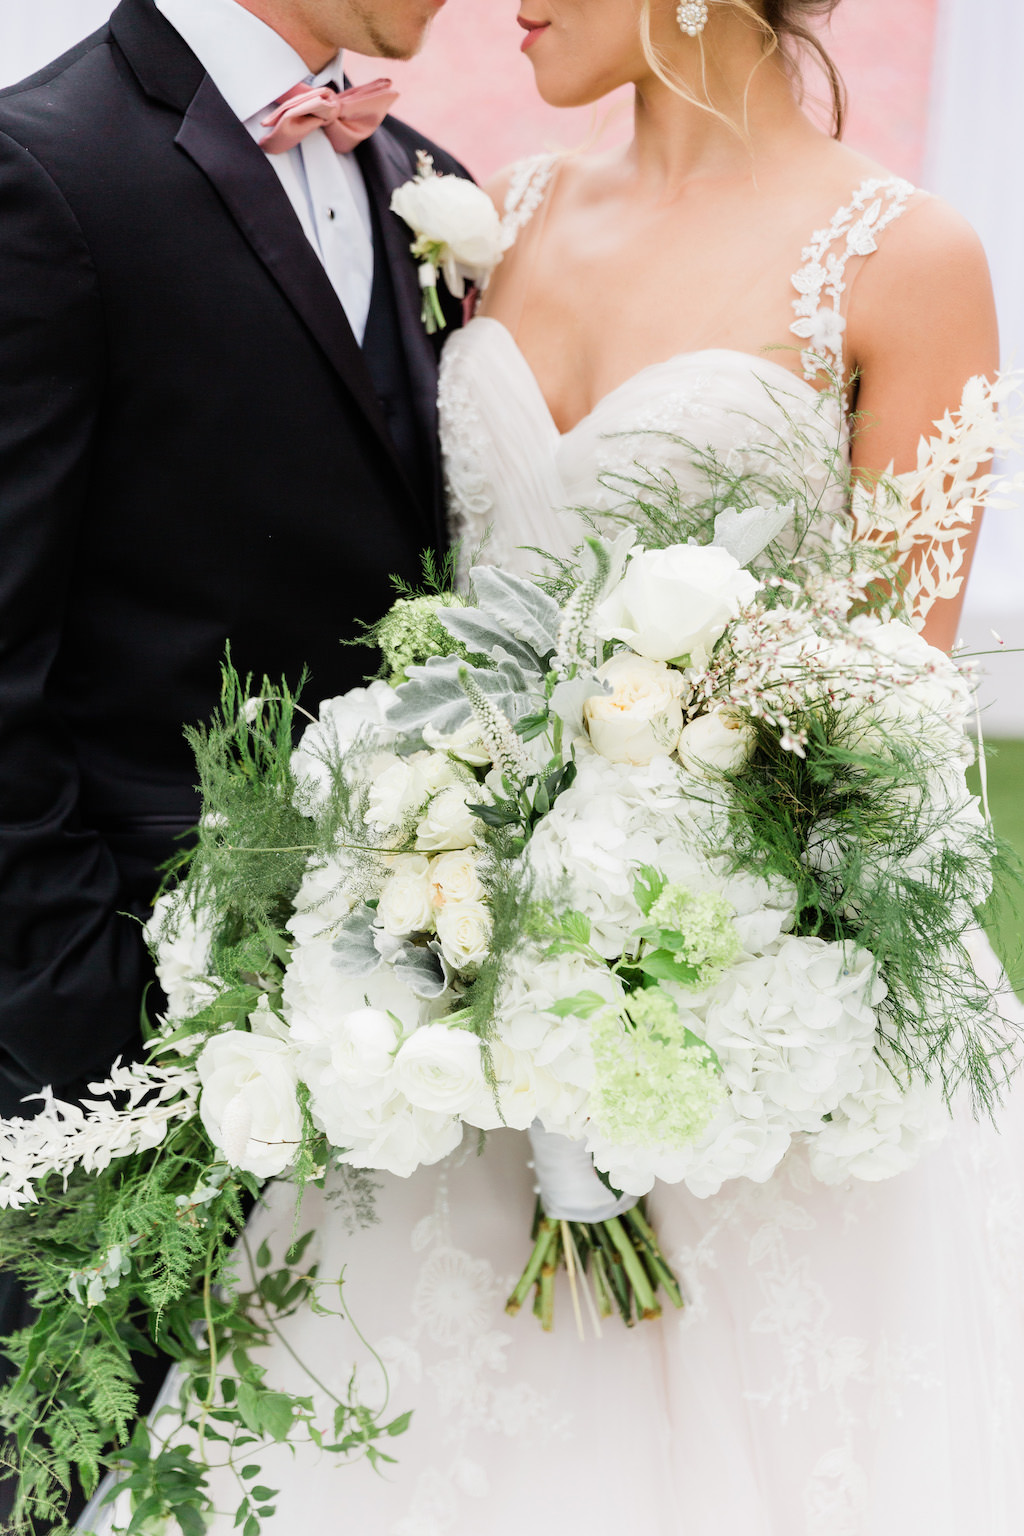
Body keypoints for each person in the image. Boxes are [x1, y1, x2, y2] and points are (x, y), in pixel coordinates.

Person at [170, 3, 1024, 1535]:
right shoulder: (519, 210)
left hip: (750, 1029)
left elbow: (893, 720)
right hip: (447, 999)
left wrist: (660, 945)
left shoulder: (908, 258)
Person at [0, 0, 466, 1522]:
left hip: (399, 1081)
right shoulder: (46, 168)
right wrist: (96, 1046)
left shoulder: (426, 180)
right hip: (116, 1075)